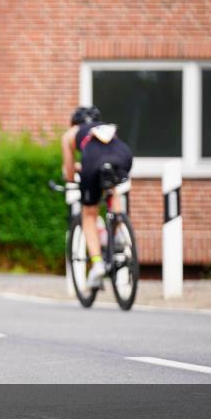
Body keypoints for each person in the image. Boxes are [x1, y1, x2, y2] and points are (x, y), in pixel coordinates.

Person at [61, 105, 134, 289]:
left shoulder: (71, 133)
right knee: (112, 189)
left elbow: (69, 172)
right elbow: (106, 155)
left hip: (93, 162)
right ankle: (118, 232)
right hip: (122, 156)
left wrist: (73, 174)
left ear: (74, 122)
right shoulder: (105, 128)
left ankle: (97, 265)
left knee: (89, 215)